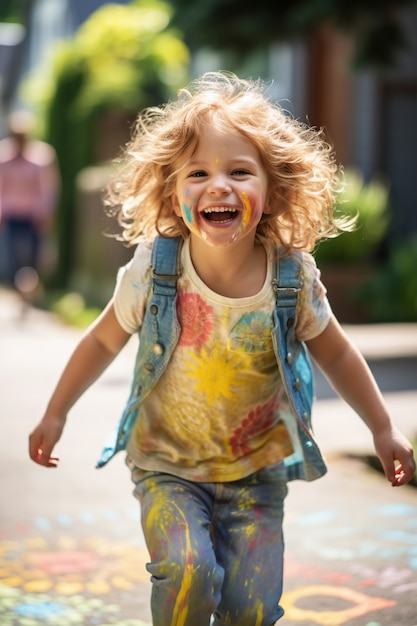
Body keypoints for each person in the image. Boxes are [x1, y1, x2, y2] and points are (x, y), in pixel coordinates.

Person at [28, 72, 416, 626]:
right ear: (172, 193)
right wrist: (55, 411)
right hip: (168, 466)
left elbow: (336, 352)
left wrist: (382, 427)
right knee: (189, 573)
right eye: (199, 173)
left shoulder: (291, 279)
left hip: (256, 473)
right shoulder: (155, 271)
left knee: (251, 609)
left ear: (272, 189)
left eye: (239, 171)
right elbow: (102, 339)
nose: (219, 186)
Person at [0, 111, 60, 293]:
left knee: (33, 256)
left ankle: (31, 289)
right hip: (10, 215)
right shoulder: (3, 156)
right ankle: (18, 290)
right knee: (11, 256)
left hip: (33, 216)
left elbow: (48, 188)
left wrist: (47, 213)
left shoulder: (42, 156)